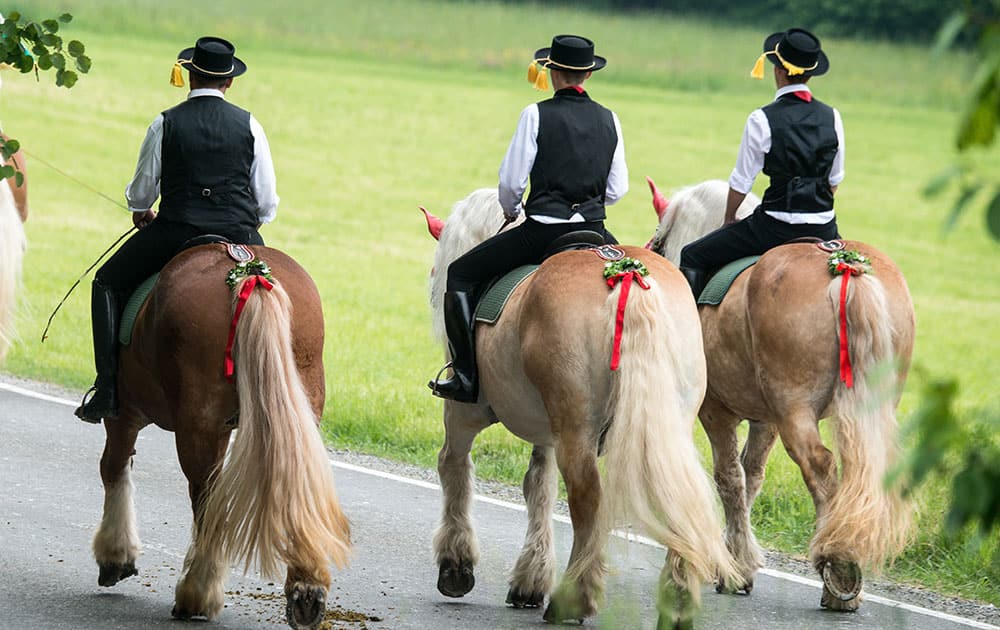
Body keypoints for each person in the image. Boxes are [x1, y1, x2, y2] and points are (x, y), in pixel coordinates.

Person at [74, 36, 279, 422]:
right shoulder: (249, 124)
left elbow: (141, 192)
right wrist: (242, 225)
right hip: (240, 237)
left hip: (176, 233)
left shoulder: (165, 122)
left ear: (188, 76)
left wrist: (140, 212)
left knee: (105, 281)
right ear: (229, 82)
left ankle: (107, 388)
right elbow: (266, 202)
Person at [428, 34, 628, 403]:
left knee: (460, 275)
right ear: (588, 75)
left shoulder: (535, 114)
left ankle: (466, 378)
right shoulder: (610, 119)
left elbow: (511, 182)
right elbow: (617, 190)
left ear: (552, 72)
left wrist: (510, 210)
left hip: (541, 233)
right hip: (597, 233)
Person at [679, 27, 844, 298]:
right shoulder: (833, 117)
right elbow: (834, 180)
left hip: (774, 228)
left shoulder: (761, 118)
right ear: (811, 74)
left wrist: (730, 217)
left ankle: (693, 334)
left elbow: (743, 180)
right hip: (824, 228)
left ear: (778, 70)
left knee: (693, 255)